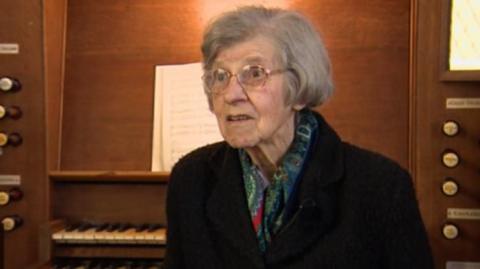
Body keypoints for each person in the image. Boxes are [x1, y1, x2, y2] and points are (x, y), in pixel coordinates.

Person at [164, 6, 433, 269]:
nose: (231, 94)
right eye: (220, 76)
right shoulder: (190, 179)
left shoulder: (381, 187)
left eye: (255, 73)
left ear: (300, 90)